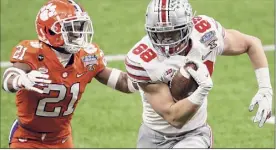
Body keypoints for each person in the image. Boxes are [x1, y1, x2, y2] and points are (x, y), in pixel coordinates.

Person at [125, 0, 272, 148]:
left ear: (189, 26)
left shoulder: (206, 33)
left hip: (194, 133)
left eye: (173, 33)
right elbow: (174, 118)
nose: (167, 42)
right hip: (153, 136)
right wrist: (202, 90)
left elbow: (251, 43)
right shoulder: (141, 59)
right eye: (160, 34)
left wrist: (265, 88)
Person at [2, 0, 137, 148]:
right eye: (71, 28)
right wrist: (21, 80)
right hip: (26, 138)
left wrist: (148, 77)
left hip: (61, 139)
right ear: (50, 30)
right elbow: (9, 78)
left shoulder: (87, 56)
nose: (78, 33)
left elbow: (124, 83)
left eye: (80, 26)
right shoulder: (33, 52)